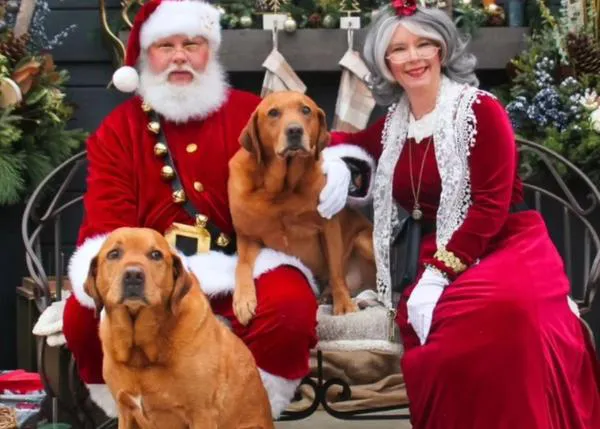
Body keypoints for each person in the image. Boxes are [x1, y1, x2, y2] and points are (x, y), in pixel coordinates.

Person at [31, 0, 354, 419]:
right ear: (148, 56)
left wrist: (340, 165)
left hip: (243, 265)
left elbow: (310, 132)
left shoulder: (245, 110)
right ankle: (140, 412)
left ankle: (246, 411)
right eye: (166, 45)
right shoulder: (120, 129)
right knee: (81, 315)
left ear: (210, 53)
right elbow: (106, 224)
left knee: (289, 308)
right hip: (152, 274)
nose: (180, 56)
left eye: (192, 44)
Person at [320, 2, 600, 428]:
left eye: (424, 44)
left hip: (505, 242)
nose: (413, 57)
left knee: (507, 314)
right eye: (399, 49)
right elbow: (348, 140)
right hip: (437, 247)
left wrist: (437, 275)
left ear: (442, 51)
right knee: (451, 335)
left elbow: (491, 206)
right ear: (385, 61)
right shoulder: (394, 123)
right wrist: (335, 158)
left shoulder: (480, 111)